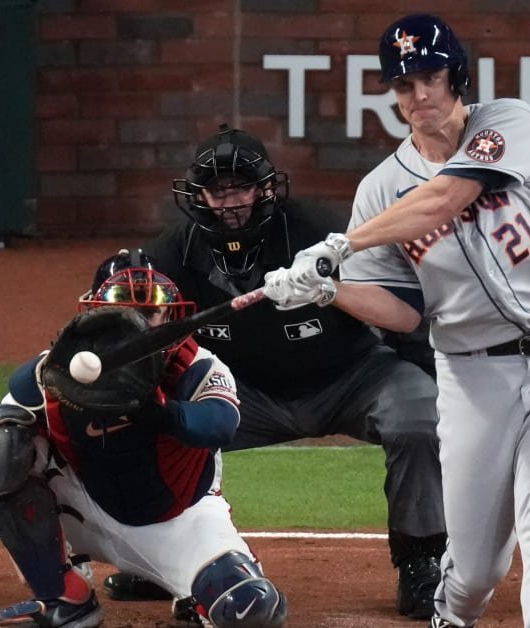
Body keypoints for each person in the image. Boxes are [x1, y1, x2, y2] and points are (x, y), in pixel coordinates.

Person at [263, 13, 530, 628]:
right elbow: (403, 312)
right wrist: (329, 289)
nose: (420, 95)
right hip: (475, 380)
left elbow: (448, 196)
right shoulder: (381, 187)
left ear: (457, 77)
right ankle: (453, 615)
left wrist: (341, 245)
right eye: (403, 84)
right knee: (475, 570)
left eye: (430, 77)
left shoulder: (508, 125)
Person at [101, 125, 447, 620]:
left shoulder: (319, 232)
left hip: (351, 377)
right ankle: (165, 558)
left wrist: (336, 294)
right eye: (217, 191)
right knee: (158, 422)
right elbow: (142, 328)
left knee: (420, 412)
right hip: (246, 394)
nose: (231, 202)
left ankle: (422, 560)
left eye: (241, 187)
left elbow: (395, 303)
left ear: (266, 189)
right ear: (197, 196)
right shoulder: (174, 255)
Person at [0, 250, 287, 628]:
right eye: (122, 309)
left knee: (250, 611)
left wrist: (157, 410)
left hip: (178, 523)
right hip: (81, 507)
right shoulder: (53, 371)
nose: (137, 323)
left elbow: (219, 424)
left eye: (148, 312)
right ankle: (64, 597)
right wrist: (31, 552)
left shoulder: (197, 366)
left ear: (170, 315)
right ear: (93, 312)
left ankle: (185, 583)